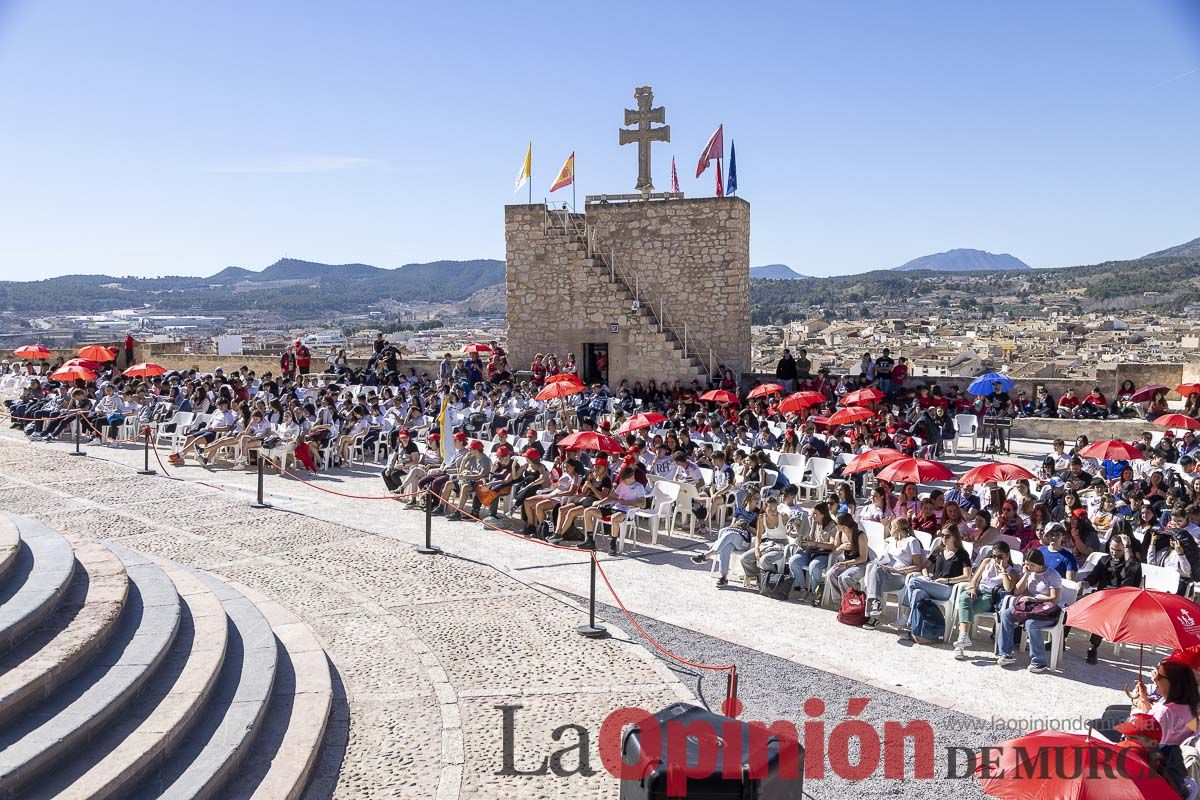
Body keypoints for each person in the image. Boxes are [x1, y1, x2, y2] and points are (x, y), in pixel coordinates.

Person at [897, 526, 972, 642]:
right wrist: (926, 576)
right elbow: (925, 567)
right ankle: (912, 629)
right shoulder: (938, 550)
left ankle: (905, 615)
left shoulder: (962, 554)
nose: (943, 538)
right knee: (917, 593)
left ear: (955, 537)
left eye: (947, 536)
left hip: (948, 588)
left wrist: (946, 581)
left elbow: (967, 576)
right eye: (942, 535)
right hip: (933, 585)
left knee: (914, 581)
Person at [995, 547, 1063, 673]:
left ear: (1040, 564)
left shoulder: (1052, 575)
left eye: (1032, 565)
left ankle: (1039, 661)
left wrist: (1035, 600)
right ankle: (1005, 653)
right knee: (1007, 614)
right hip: (1031, 608)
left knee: (1031, 624)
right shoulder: (1029, 573)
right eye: (1027, 564)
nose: (1029, 567)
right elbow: (1017, 591)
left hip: (1047, 610)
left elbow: (1055, 599)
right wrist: (1026, 574)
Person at [1080, 533, 1142, 664]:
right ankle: (1061, 640)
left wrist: (1127, 547)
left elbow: (1131, 569)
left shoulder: (1131, 564)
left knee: (1103, 614)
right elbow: (1093, 577)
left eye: (1118, 550)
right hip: (1101, 596)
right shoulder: (1104, 560)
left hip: (1120, 600)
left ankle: (1093, 647)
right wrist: (1085, 583)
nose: (1114, 552)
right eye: (1112, 549)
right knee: (1073, 605)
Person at [954, 540, 1019, 658]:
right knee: (964, 597)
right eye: (994, 556)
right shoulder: (987, 561)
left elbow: (1008, 588)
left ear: (1007, 555)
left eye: (1000, 557)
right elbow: (974, 578)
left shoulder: (1012, 572)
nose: (996, 559)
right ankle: (963, 637)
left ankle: (961, 645)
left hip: (990, 596)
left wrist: (1003, 571)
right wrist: (973, 588)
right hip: (978, 590)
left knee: (968, 610)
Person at [690, 490, 762, 587]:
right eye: (755, 498)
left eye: (759, 498)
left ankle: (707, 555)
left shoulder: (759, 513)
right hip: (734, 535)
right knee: (726, 546)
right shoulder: (740, 510)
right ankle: (723, 578)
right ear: (748, 498)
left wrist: (747, 526)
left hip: (746, 541)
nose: (758, 500)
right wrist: (737, 524)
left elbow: (759, 533)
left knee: (729, 536)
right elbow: (732, 525)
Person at [862, 518, 925, 628]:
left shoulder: (912, 541)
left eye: (891, 527)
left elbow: (918, 566)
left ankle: (873, 612)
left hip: (900, 576)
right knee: (873, 566)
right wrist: (886, 526)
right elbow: (885, 538)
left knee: (875, 573)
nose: (890, 529)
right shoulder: (892, 540)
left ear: (897, 528)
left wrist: (896, 570)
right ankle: (874, 608)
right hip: (884, 574)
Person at [582, 466, 649, 554]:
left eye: (625, 479)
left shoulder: (639, 487)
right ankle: (589, 541)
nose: (623, 481)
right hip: (615, 508)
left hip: (626, 512)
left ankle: (613, 544)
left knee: (614, 518)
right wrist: (600, 502)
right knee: (588, 511)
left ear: (632, 477)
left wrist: (627, 502)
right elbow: (612, 497)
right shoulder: (622, 484)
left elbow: (643, 504)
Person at [786, 502, 838, 603]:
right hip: (811, 551)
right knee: (793, 561)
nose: (812, 516)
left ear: (823, 514)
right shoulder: (813, 522)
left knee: (814, 566)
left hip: (824, 553)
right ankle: (802, 588)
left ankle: (814, 591)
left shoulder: (832, 526)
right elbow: (808, 535)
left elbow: (832, 545)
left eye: (815, 514)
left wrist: (815, 544)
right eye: (812, 513)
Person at [740, 495, 791, 584]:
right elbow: (758, 536)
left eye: (775, 508)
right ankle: (759, 576)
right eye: (770, 508)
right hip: (768, 543)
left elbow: (793, 531)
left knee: (764, 560)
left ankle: (774, 580)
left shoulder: (783, 517)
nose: (773, 510)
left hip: (782, 545)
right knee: (744, 558)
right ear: (765, 508)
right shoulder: (761, 518)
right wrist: (756, 549)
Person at [823, 513, 870, 605]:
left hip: (860, 564)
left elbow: (863, 558)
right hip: (847, 562)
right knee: (830, 574)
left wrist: (846, 563)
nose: (834, 525)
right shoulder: (839, 533)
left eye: (836, 523)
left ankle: (849, 602)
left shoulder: (860, 536)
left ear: (843, 526)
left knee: (844, 578)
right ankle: (839, 601)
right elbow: (835, 552)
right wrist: (841, 547)